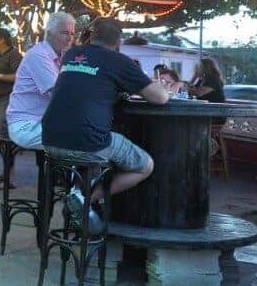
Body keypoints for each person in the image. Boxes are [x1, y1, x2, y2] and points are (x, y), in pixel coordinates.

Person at [42, 18, 169, 232]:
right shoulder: (119, 61)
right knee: (145, 166)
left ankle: (78, 192)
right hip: (88, 143)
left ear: (91, 36)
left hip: (49, 140)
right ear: (118, 41)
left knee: (88, 152)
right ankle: (87, 199)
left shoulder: (71, 55)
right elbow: (160, 98)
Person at [7, 12, 76, 149]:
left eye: (72, 34)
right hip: (27, 125)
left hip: (43, 122)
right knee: (85, 138)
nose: (69, 38)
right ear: (49, 34)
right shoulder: (39, 55)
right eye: (64, 33)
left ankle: (66, 170)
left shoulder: (60, 57)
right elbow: (58, 94)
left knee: (90, 135)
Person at [0, 29, 23, 189]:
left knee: (6, 139)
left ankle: (10, 179)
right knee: (0, 139)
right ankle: (6, 173)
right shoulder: (0, 56)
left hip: (8, 100)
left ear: (1, 39)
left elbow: (20, 76)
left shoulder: (14, 54)